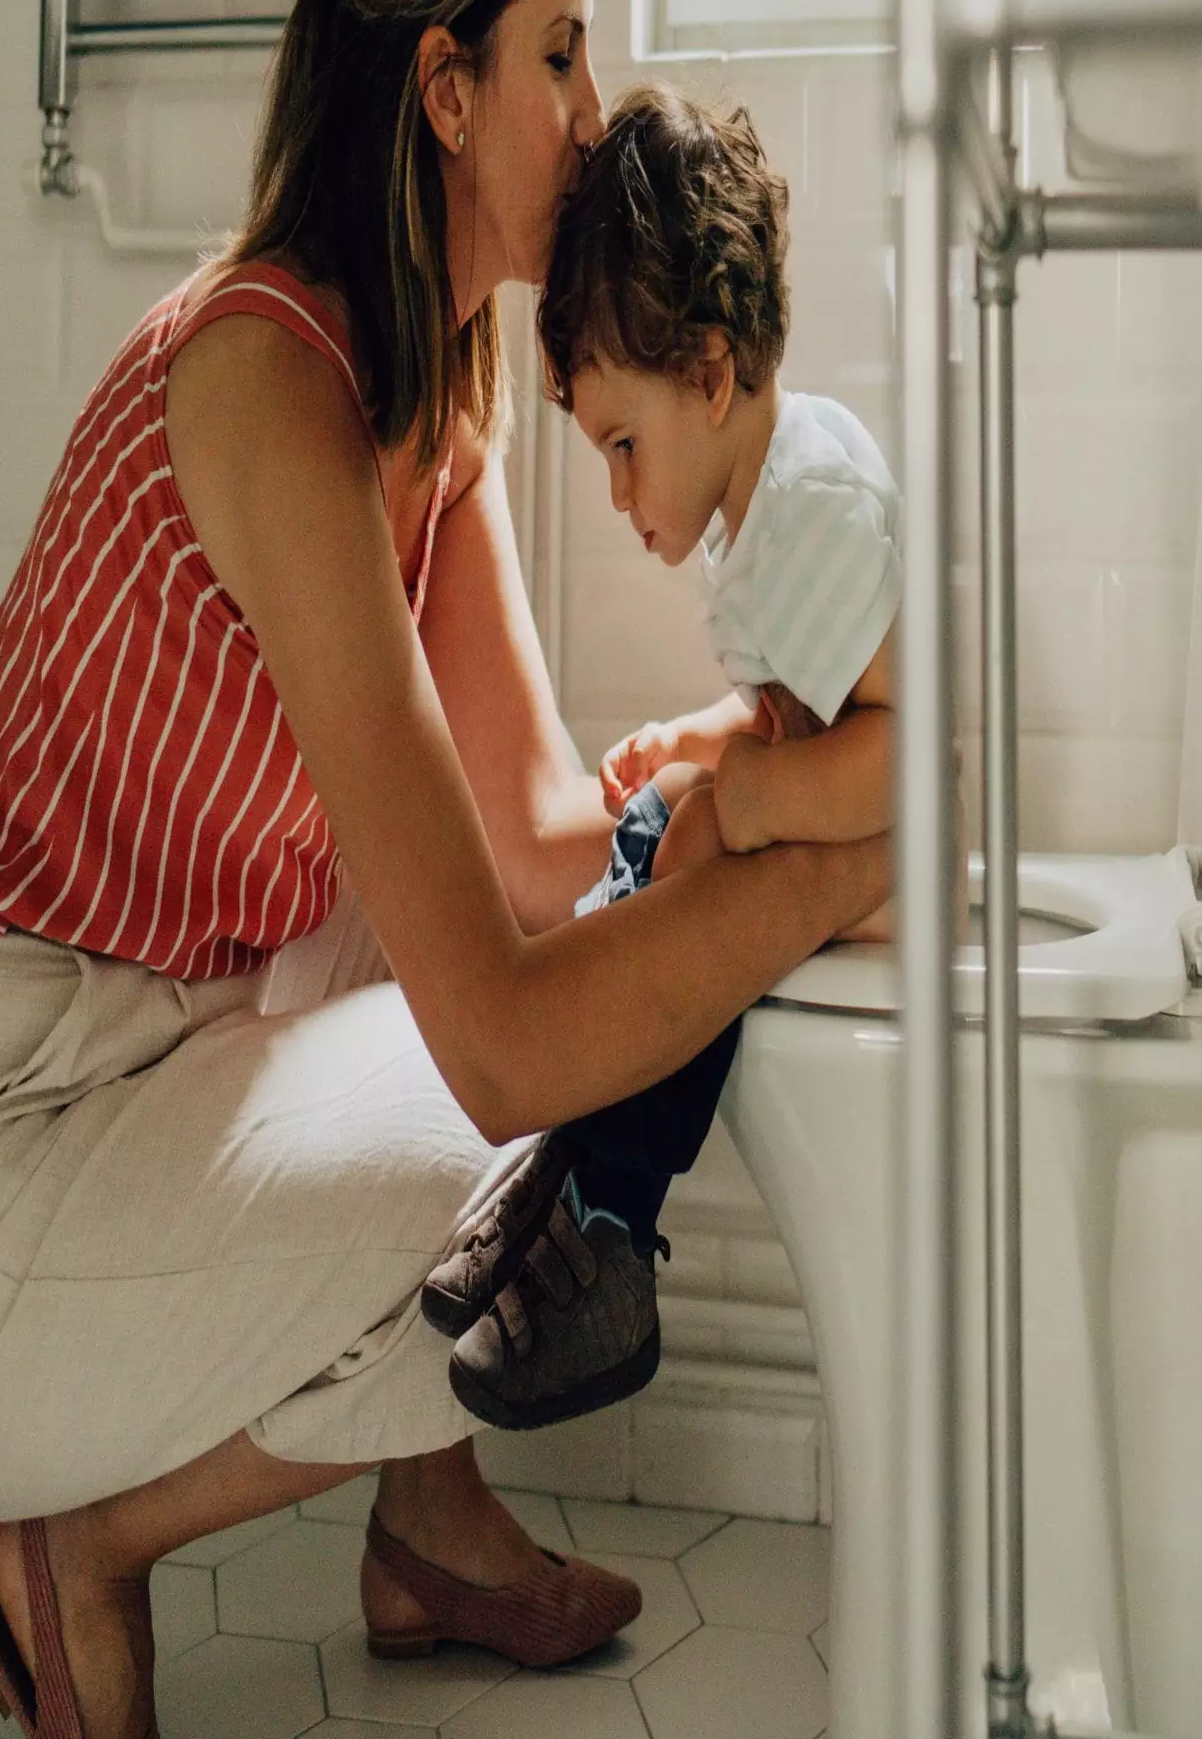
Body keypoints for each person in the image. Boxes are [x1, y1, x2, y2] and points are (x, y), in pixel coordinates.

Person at [0, 0, 890, 1739]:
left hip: (171, 1058)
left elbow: (523, 843)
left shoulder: (444, 394)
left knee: (542, 1025)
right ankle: (86, 1541)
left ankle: (427, 1522)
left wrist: (747, 775)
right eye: (560, 57)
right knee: (528, 1143)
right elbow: (505, 1027)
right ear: (443, 86)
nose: (592, 119)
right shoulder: (266, 384)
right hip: (6, 1136)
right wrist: (840, 863)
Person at [418, 88, 899, 1433]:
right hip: (860, 834)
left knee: (685, 853)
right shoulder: (778, 490)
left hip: (921, 860)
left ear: (710, 372)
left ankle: (607, 1225)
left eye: (624, 451)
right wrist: (702, 746)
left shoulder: (808, 507)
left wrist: (747, 796)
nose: (622, 499)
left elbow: (923, 758)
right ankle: (575, 1168)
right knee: (654, 835)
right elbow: (813, 701)